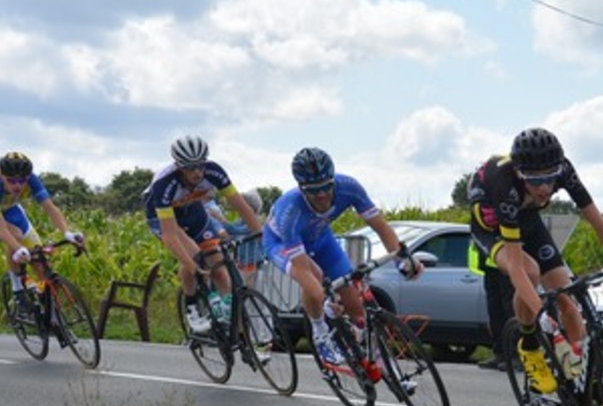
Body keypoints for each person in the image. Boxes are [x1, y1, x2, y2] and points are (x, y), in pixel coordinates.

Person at [466, 127, 603, 406]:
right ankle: (529, 345)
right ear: (520, 173)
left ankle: (596, 403)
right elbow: (516, 269)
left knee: (569, 301)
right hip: (491, 228)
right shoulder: (505, 185)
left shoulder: (564, 169)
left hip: (528, 219)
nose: (544, 188)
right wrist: (543, 318)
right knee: (530, 271)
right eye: (535, 180)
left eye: (550, 178)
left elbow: (599, 223)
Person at [263, 147, 421, 370]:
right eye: (313, 190)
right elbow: (302, 270)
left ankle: (381, 363)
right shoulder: (290, 211)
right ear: (301, 188)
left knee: (355, 305)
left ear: (333, 179)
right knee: (315, 278)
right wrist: (326, 299)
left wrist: (403, 260)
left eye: (326, 186)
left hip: (320, 238)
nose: (321, 195)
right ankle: (320, 334)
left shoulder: (349, 187)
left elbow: (381, 228)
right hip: (280, 243)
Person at [143, 136, 263, 334]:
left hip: (192, 210)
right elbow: (171, 235)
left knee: (219, 268)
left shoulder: (214, 171)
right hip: (164, 218)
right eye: (190, 168)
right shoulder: (164, 184)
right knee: (195, 257)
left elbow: (241, 206)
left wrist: (261, 235)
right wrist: (194, 268)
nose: (197, 172)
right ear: (179, 166)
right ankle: (191, 305)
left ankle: (236, 331)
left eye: (200, 165)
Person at [0, 152, 84, 298]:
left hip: (11, 210)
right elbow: (0, 228)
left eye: (21, 180)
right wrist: (18, 248)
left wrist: (67, 233)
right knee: (16, 235)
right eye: (11, 181)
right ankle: (17, 288)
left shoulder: (32, 180)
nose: (17, 185)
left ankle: (47, 305)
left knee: (39, 259)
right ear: (2, 176)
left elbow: (51, 208)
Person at [470, 243, 516, 371]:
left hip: (507, 267)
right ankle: (500, 353)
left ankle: (515, 355)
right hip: (490, 267)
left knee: (510, 312)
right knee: (495, 313)